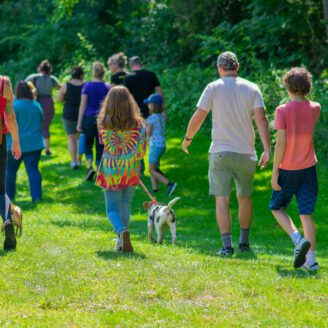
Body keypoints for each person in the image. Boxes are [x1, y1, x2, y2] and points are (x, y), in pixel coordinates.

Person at [182, 51, 270, 255]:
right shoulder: (252, 88)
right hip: (246, 153)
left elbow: (199, 116)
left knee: (222, 199)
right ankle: (245, 243)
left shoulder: (213, 88)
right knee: (244, 198)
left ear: (219, 68)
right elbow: (262, 120)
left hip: (220, 152)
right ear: (237, 67)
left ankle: (226, 246)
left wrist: (188, 138)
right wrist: (267, 149)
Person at [270, 67, 320, 271]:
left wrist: (275, 173)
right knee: (306, 214)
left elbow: (280, 144)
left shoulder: (282, 110)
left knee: (276, 207)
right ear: (307, 87)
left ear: (288, 87)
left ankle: (298, 240)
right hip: (309, 169)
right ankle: (311, 261)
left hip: (288, 169)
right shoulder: (316, 107)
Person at [96, 86, 147, 252]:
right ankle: (122, 241)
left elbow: (104, 144)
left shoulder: (103, 123)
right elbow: (142, 151)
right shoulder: (139, 124)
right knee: (125, 204)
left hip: (111, 169)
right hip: (131, 167)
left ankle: (122, 232)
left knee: (111, 208)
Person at [124, 56, 165, 174]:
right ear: (140, 64)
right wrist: (163, 110)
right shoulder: (151, 75)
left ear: (131, 65)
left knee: (137, 141)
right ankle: (155, 167)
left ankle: (140, 168)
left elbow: (125, 97)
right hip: (152, 112)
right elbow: (159, 92)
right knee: (154, 140)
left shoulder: (128, 78)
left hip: (135, 114)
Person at [6, 81, 44, 203]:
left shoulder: (13, 106)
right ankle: (36, 197)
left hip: (14, 144)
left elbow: (7, 125)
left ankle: (9, 197)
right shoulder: (36, 105)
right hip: (34, 144)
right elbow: (41, 120)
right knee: (33, 170)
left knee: (10, 171)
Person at [77, 62, 110, 180]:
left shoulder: (87, 86)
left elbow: (83, 105)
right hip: (102, 120)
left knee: (88, 144)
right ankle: (99, 170)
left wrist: (79, 122)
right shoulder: (108, 87)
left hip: (89, 118)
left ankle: (90, 167)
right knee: (101, 145)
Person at [0, 75, 21, 251]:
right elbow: (10, 115)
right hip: (0, 141)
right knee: (0, 189)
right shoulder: (3, 83)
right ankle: (7, 220)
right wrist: (16, 141)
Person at [144, 93, 177, 196]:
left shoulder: (151, 118)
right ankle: (155, 190)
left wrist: (144, 127)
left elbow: (148, 133)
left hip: (155, 146)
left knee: (151, 169)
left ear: (153, 105)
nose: (148, 106)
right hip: (161, 145)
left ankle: (169, 184)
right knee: (153, 168)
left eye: (149, 104)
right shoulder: (162, 116)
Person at [26, 59, 60, 155]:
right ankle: (47, 149)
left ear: (39, 69)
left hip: (37, 102)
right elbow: (60, 88)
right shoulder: (52, 79)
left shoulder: (34, 77)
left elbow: (24, 84)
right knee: (45, 127)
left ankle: (35, 146)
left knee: (35, 125)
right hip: (49, 102)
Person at [58, 66, 84, 169]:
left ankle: (73, 162)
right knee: (80, 137)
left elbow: (59, 99)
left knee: (71, 138)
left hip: (68, 114)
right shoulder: (85, 85)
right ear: (81, 75)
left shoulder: (65, 85)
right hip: (82, 114)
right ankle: (80, 160)